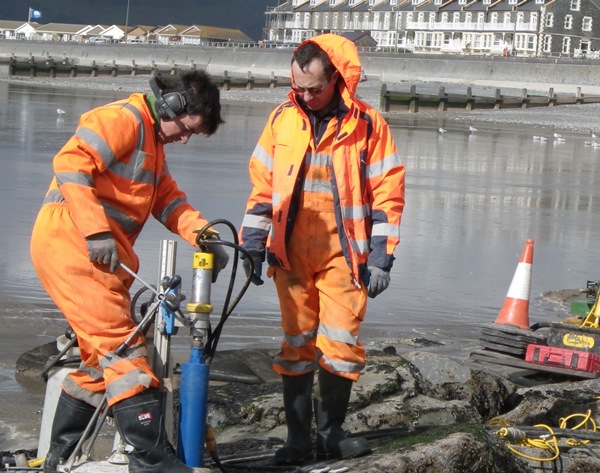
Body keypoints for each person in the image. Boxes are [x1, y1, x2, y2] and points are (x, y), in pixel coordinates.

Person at [30, 70, 228, 473]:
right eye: (185, 129)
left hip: (95, 253)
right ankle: (153, 462)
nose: (185, 138)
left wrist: (204, 235)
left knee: (97, 363)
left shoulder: (153, 142)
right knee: (123, 351)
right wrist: (98, 229)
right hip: (73, 242)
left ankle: (59, 458)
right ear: (171, 106)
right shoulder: (123, 119)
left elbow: (169, 202)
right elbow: (69, 163)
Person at [239, 34, 406, 465]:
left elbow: (388, 195)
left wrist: (383, 258)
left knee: (341, 343)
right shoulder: (281, 119)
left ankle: (331, 433)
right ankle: (297, 440)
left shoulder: (367, 125)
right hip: (289, 254)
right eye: (299, 88)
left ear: (336, 78)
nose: (307, 97)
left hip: (344, 257)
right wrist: (251, 244)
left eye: (314, 88)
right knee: (296, 344)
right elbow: (262, 188)